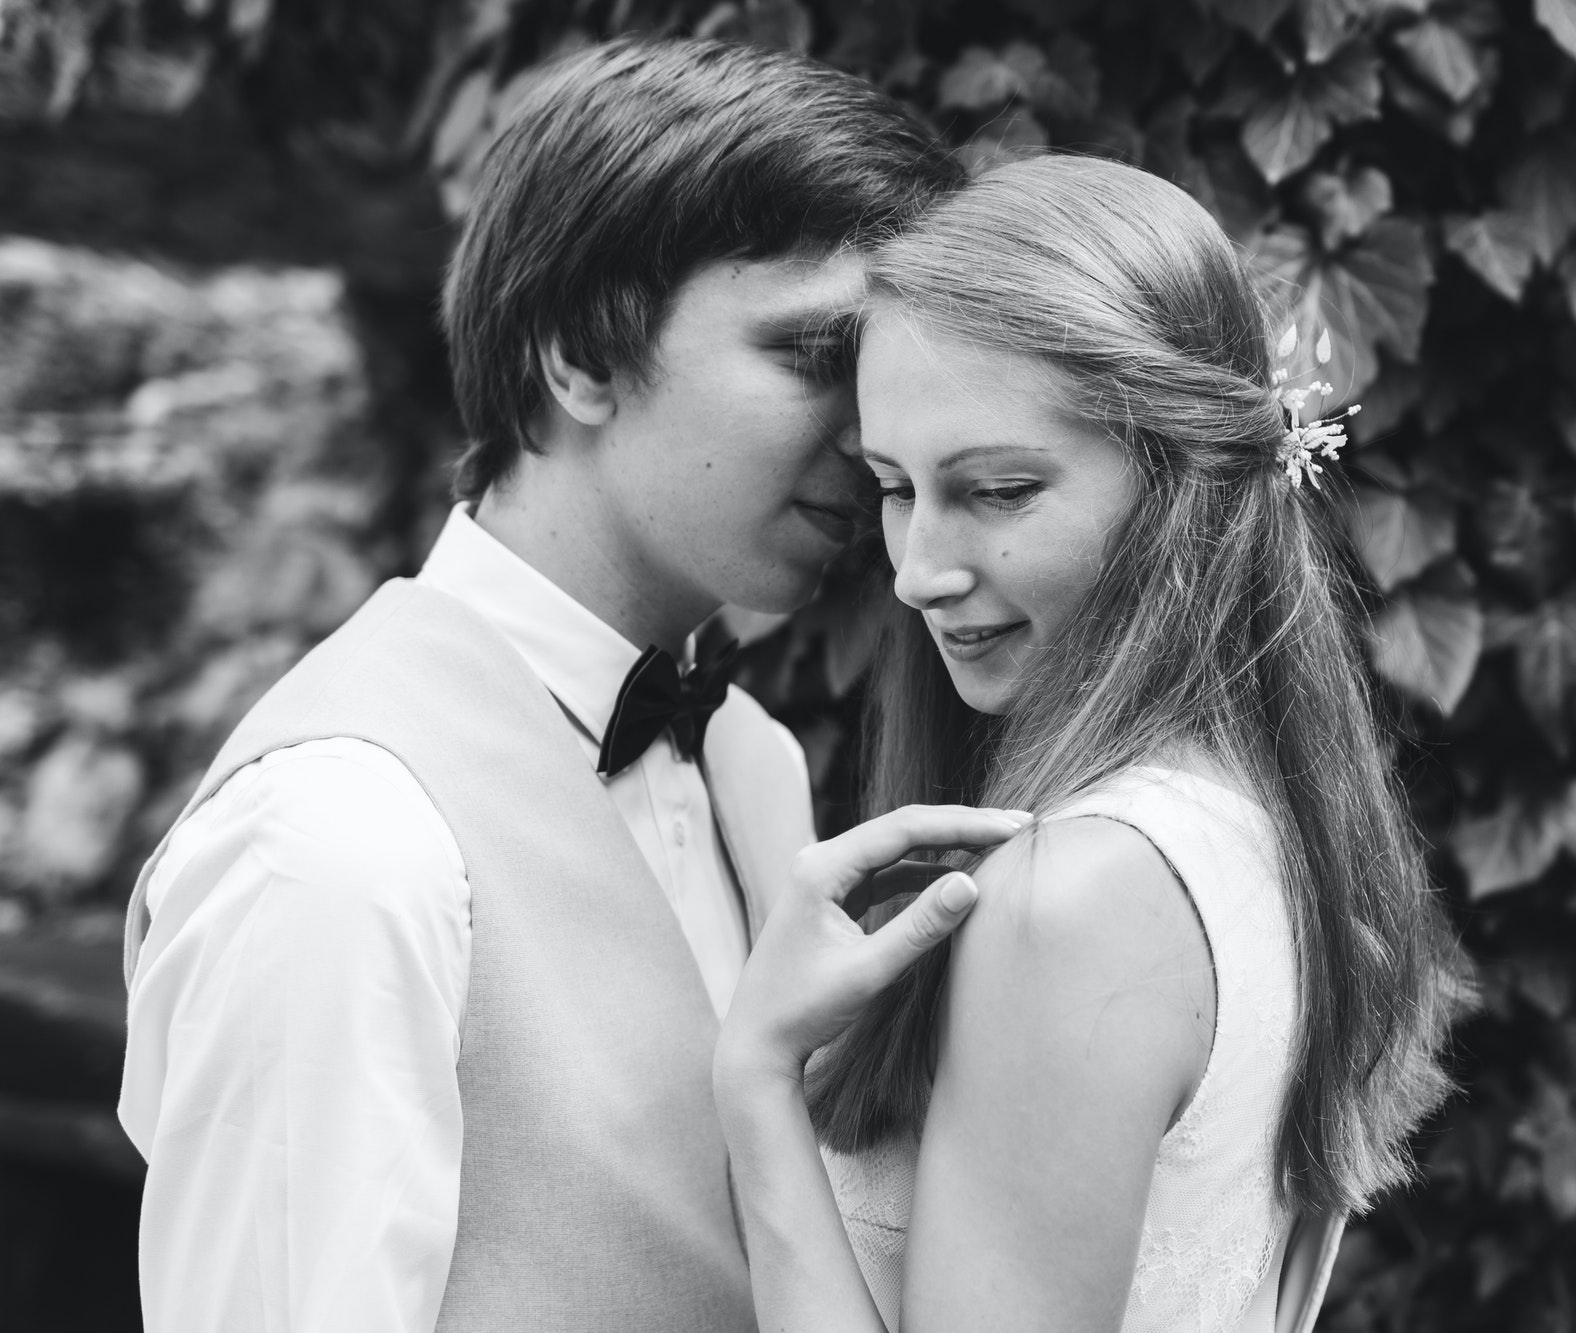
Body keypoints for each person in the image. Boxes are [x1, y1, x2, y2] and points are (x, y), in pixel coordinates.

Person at [116, 36, 979, 1333]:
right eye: (814, 356)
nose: (871, 435)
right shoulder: (338, 841)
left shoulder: (752, 759)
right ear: (580, 355)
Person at [713, 154, 1466, 1333]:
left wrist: (757, 1080)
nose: (916, 573)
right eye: (892, 486)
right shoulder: (1246, 830)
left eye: (999, 490)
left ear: (1180, 484)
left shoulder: (1078, 893)